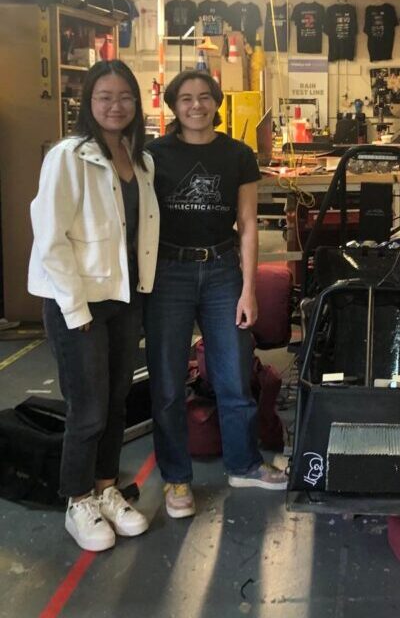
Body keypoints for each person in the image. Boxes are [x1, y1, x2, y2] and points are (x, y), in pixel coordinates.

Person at [28, 60, 160, 551]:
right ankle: (77, 499)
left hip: (123, 300)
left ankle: (106, 489)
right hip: (78, 301)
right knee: (87, 409)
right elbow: (50, 238)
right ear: (88, 102)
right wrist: (74, 308)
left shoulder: (140, 159)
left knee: (116, 401)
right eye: (103, 96)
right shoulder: (68, 156)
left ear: (136, 103)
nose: (114, 105)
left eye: (124, 96)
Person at [145, 71, 287, 520]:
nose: (196, 105)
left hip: (223, 270)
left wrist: (249, 288)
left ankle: (243, 464)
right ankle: (176, 479)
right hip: (169, 271)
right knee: (167, 384)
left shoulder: (237, 155)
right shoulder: (153, 155)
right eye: (186, 98)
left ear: (217, 103)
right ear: (173, 105)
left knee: (233, 376)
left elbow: (247, 224)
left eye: (205, 97)